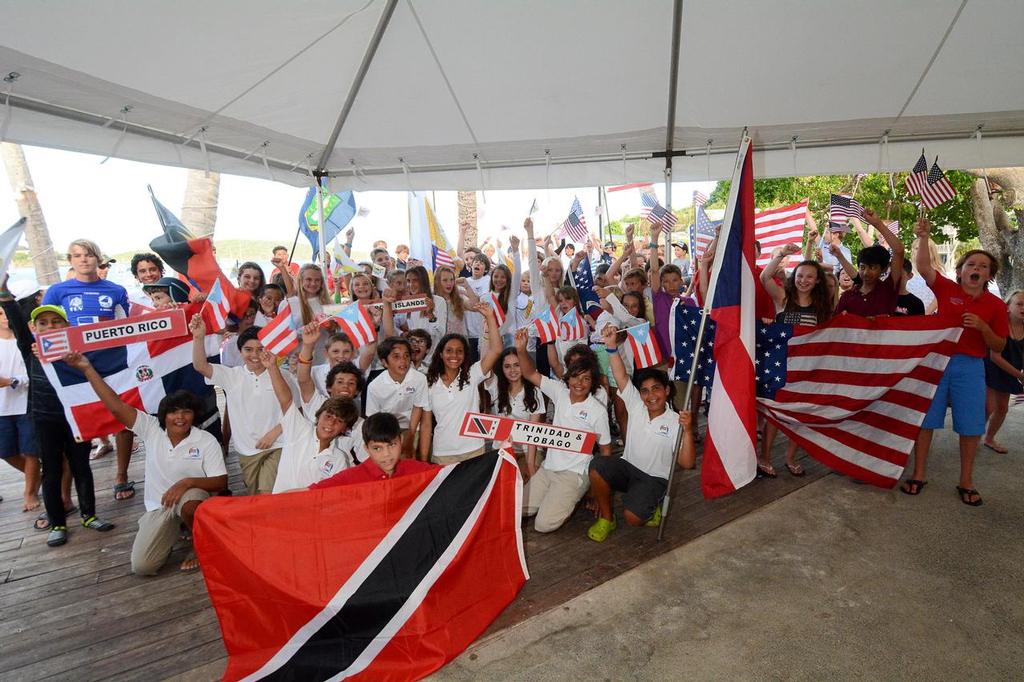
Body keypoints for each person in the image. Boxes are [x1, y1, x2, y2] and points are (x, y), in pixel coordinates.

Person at [62, 352, 225, 573]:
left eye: (187, 412)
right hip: (161, 505)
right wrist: (87, 369)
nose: (180, 417)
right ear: (163, 415)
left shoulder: (205, 440)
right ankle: (170, 529)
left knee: (190, 501)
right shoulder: (151, 429)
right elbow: (116, 407)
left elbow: (221, 482)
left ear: (194, 415)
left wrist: (186, 483)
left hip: (193, 500)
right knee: (143, 566)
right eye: (173, 412)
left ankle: (199, 544)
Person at [902, 217, 1008, 506]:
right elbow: (924, 267)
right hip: (937, 363)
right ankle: (919, 473)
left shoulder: (996, 305)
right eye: (971, 265)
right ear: (960, 272)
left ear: (989, 275)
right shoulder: (947, 290)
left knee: (971, 425)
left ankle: (966, 481)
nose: (976, 269)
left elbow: (999, 345)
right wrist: (924, 236)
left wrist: (984, 329)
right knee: (927, 421)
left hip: (971, 367)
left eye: (983, 267)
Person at [16, 304, 115, 545]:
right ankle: (57, 522)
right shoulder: (31, 350)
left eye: (56, 322)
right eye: (43, 323)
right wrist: (5, 294)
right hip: (43, 418)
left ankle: (89, 515)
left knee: (81, 466)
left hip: (75, 416)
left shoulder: (77, 350)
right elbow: (17, 325)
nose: (50, 327)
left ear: (67, 326)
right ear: (34, 328)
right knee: (51, 471)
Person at [587, 325, 696, 541]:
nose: (650, 395)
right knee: (598, 465)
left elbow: (687, 463)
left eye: (656, 388)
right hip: (628, 468)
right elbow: (620, 376)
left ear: (666, 391)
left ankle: (651, 505)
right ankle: (607, 519)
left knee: (634, 518)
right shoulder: (636, 405)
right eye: (645, 390)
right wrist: (611, 346)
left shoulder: (677, 421)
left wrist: (689, 431)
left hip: (654, 479)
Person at [514, 329, 611, 533]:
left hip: (574, 474)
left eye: (586, 379)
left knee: (543, 525)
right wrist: (521, 350)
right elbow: (530, 373)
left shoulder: (597, 410)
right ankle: (554, 497)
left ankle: (573, 496)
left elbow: (606, 452)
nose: (580, 383)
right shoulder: (559, 392)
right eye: (575, 377)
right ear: (567, 378)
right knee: (515, 509)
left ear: (592, 381)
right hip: (549, 468)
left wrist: (596, 487)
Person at [190, 315, 283, 495]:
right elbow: (201, 366)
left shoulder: (282, 375)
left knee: (267, 494)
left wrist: (276, 432)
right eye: (248, 349)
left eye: (261, 349)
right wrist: (198, 337)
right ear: (240, 352)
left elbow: (297, 410)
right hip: (247, 450)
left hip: (279, 445)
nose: (255, 355)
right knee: (256, 495)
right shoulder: (232, 375)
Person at [759, 249, 832, 476]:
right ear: (794, 277)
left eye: (809, 276)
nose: (803, 281)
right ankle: (765, 457)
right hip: (781, 368)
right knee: (775, 415)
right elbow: (764, 278)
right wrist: (781, 254)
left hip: (807, 371)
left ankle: (790, 458)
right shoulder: (784, 299)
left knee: (799, 415)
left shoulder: (822, 308)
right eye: (800, 276)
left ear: (817, 280)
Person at [258, 347, 359, 492]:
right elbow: (286, 400)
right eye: (328, 416)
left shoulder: (339, 459)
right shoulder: (299, 429)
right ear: (318, 416)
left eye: (339, 421)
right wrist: (273, 367)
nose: (331, 423)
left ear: (345, 429)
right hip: (280, 508)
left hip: (312, 513)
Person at [421, 303, 502, 464]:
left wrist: (490, 317)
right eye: (449, 350)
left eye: (460, 351)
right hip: (442, 453)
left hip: (474, 451)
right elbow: (426, 425)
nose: (454, 355)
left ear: (465, 355)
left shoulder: (472, 374)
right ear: (441, 354)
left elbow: (496, 350)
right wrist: (424, 461)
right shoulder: (428, 382)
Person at [309, 413, 436, 487]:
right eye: (377, 448)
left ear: (401, 441)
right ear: (366, 449)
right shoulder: (352, 477)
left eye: (392, 445)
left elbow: (449, 474)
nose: (386, 454)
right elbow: (313, 492)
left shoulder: (417, 470)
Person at [0, 294, 38, 512]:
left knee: (31, 449)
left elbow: (31, 372)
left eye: (6, 313)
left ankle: (30, 491)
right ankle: (37, 477)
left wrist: (10, 381)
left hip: (25, 402)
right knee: (6, 451)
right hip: (2, 406)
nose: (4, 318)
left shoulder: (24, 341)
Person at [485, 347, 546, 477]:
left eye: (517, 365)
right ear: (501, 369)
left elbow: (533, 431)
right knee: (505, 483)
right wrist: (486, 334)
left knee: (525, 482)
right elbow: (485, 363)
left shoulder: (534, 392)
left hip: (528, 450)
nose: (512, 370)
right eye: (507, 366)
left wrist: (530, 465)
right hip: (503, 448)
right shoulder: (496, 386)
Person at [365, 337, 428, 457]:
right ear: (384, 362)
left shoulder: (419, 379)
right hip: (386, 429)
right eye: (396, 357)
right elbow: (373, 418)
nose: (403, 361)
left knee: (411, 458)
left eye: (406, 356)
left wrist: (410, 434)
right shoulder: (375, 386)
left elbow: (418, 407)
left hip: (412, 426)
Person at [833, 210, 904, 317]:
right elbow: (836, 327)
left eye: (872, 267)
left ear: (884, 269)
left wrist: (878, 224)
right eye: (862, 267)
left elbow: (898, 251)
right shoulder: (847, 296)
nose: (866, 272)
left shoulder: (888, 290)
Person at [982, 290, 1024, 454]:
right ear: (1007, 307)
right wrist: (1019, 375)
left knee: (1002, 408)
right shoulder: (1000, 324)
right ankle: (972, 436)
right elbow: (994, 357)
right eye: (1019, 304)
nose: (1023, 307)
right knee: (988, 406)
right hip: (992, 368)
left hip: (1010, 371)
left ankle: (989, 438)